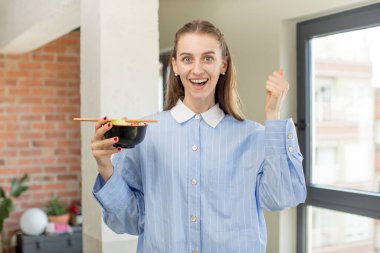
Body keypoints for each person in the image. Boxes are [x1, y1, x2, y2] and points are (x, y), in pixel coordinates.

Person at [91, 20, 306, 253]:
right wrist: (105, 166)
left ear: (223, 64)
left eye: (208, 58)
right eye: (187, 59)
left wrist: (273, 114)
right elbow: (129, 221)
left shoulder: (252, 136)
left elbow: (280, 199)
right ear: (174, 65)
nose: (197, 69)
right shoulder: (146, 134)